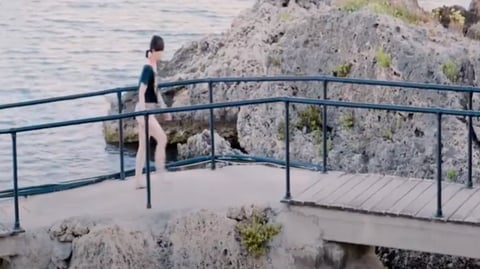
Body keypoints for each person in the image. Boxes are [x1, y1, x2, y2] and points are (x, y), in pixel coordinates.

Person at [134, 35, 171, 189]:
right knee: (162, 139)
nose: (162, 54)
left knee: (142, 146)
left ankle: (137, 181)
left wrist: (164, 111)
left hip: (148, 111)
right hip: (144, 112)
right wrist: (145, 113)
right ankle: (160, 172)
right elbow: (141, 91)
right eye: (160, 51)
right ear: (154, 50)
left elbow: (156, 91)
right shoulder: (147, 68)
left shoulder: (153, 67)